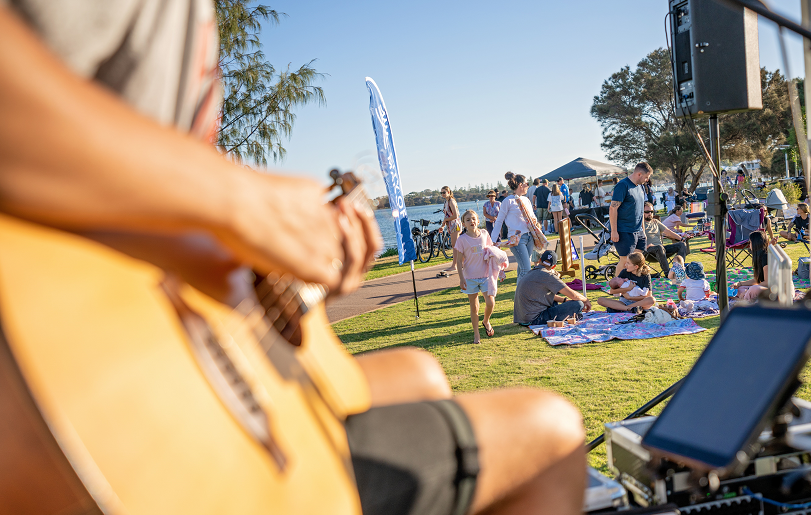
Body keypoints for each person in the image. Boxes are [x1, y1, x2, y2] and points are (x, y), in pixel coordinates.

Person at [0, 5, 587, 515]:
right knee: (551, 434)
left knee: (422, 375)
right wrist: (244, 202)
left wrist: (286, 271)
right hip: (84, 385)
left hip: (174, 343)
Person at [513, 251, 592, 325]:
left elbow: (543, 295)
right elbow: (573, 295)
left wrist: (565, 300)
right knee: (578, 304)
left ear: (540, 260)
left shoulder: (531, 272)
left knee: (555, 300)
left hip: (523, 318)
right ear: (554, 266)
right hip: (535, 319)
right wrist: (586, 299)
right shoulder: (548, 275)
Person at [455, 211, 497, 344]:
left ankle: (486, 321)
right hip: (470, 278)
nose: (471, 221)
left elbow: (492, 251)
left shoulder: (484, 234)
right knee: (474, 307)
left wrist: (499, 269)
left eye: (473, 219)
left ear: (478, 221)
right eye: (468, 220)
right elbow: (458, 262)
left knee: (490, 303)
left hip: (485, 276)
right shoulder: (461, 239)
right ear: (463, 224)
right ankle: (476, 334)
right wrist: (461, 279)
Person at [608, 162, 653, 278]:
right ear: (639, 174)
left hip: (638, 230)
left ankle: (633, 284)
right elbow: (613, 208)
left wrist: (643, 230)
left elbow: (640, 210)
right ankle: (617, 288)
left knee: (637, 261)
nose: (647, 180)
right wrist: (614, 231)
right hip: (624, 230)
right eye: (647, 177)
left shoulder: (641, 187)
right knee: (625, 261)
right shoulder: (623, 185)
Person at [492, 172, 539, 281]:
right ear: (520, 185)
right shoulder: (508, 201)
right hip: (517, 238)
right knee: (526, 269)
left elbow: (533, 217)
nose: (528, 185)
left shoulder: (526, 200)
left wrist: (534, 220)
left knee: (522, 268)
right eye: (526, 183)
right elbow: (499, 221)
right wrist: (493, 240)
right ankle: (522, 296)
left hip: (529, 237)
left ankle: (520, 295)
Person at [642, 202, 688, 277]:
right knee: (659, 247)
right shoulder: (639, 224)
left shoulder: (656, 222)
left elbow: (668, 232)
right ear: (642, 212)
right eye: (647, 212)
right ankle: (668, 274)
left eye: (651, 211)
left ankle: (678, 271)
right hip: (648, 252)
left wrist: (681, 238)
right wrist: (644, 245)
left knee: (682, 244)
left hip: (661, 251)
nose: (650, 213)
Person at [733, 231, 770, 301]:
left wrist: (748, 290)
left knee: (753, 289)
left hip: (776, 291)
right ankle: (745, 297)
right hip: (766, 288)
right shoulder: (760, 256)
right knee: (740, 288)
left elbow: (768, 282)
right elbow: (757, 280)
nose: (749, 245)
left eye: (750, 242)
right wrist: (739, 284)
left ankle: (744, 299)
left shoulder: (766, 256)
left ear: (756, 243)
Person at [439, 186, 461, 273]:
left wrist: (445, 220)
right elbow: (446, 215)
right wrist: (443, 225)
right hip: (450, 225)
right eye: (441, 193)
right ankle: (461, 263)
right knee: (455, 245)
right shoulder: (446, 202)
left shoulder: (451, 201)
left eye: (444, 192)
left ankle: (454, 265)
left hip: (455, 224)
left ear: (448, 192)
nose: (442, 194)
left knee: (455, 245)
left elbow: (455, 215)